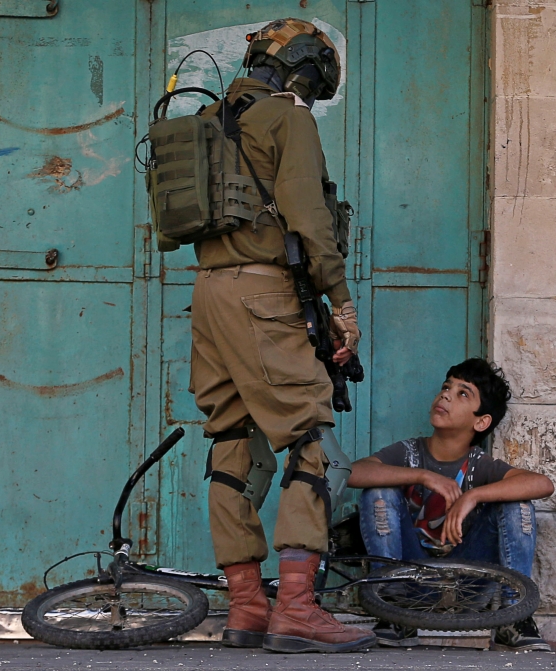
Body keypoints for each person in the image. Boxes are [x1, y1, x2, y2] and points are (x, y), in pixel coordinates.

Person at [188, 18, 374, 653]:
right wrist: (340, 301)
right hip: (263, 293)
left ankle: (246, 607)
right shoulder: (287, 118)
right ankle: (295, 606)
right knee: (308, 440)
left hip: (211, 292)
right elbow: (308, 218)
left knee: (231, 441)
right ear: (303, 71)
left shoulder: (209, 120)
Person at [348, 358, 555, 651]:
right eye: (446, 387)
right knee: (377, 492)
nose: (445, 395)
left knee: (517, 503)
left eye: (462, 393)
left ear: (481, 421)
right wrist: (423, 475)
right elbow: (352, 473)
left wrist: (473, 496)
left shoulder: (478, 465)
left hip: (467, 584)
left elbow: (542, 484)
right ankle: (391, 610)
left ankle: (514, 616)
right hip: (410, 580)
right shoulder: (409, 453)